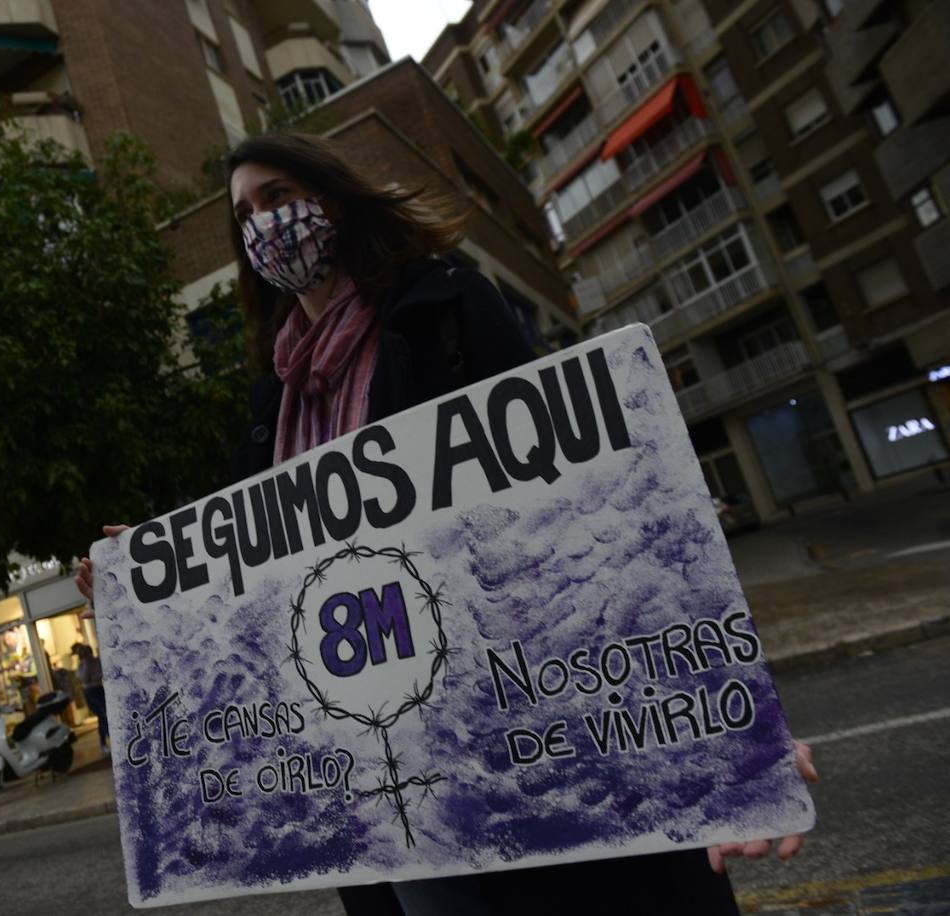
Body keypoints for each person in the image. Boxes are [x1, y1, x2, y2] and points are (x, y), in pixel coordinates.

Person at [76, 131, 816, 915]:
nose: (264, 223)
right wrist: (146, 585)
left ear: (331, 198)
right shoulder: (273, 407)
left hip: (514, 729)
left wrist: (713, 730)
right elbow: (253, 601)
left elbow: (582, 513)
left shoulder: (445, 308)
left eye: (279, 196)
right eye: (245, 213)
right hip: (385, 780)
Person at [72, 643, 109, 754]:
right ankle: (104, 740)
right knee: (101, 714)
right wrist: (87, 665)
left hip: (99, 689)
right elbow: (84, 678)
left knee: (104, 716)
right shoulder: (82, 665)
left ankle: (104, 740)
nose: (87, 656)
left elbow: (100, 674)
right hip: (90, 692)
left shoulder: (97, 661)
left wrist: (93, 677)